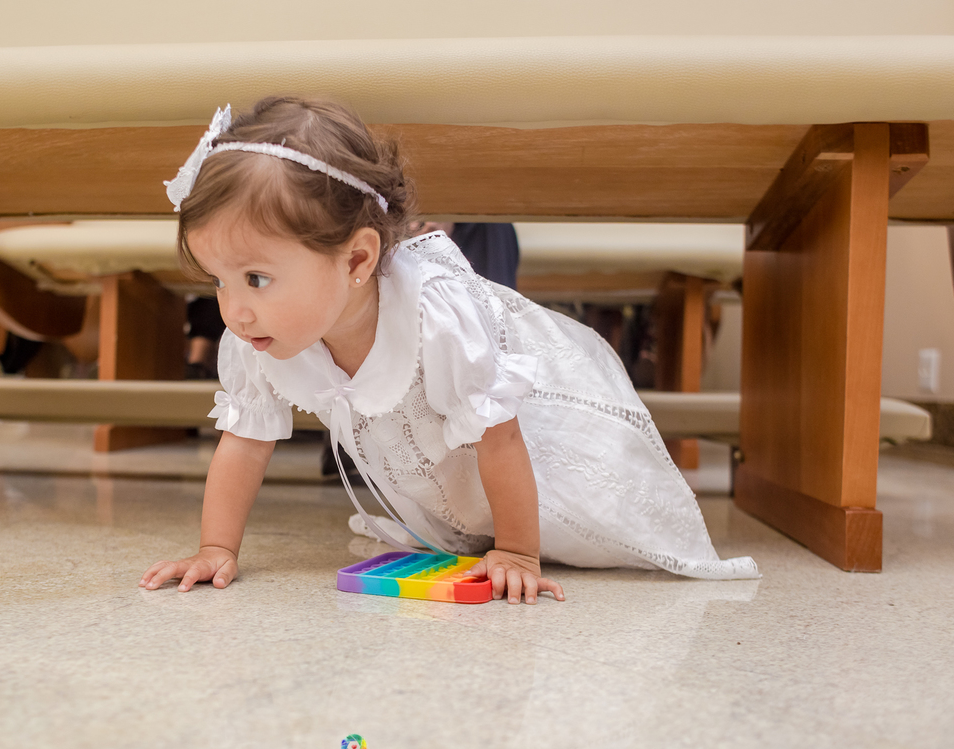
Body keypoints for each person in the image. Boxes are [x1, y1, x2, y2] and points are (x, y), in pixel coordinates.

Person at [140, 98, 759, 604]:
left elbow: (501, 437)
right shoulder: (259, 332)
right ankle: (486, 527)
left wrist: (517, 552)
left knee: (582, 524)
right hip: (451, 470)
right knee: (462, 516)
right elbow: (245, 442)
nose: (234, 309)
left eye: (255, 278)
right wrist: (216, 548)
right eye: (217, 281)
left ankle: (523, 529)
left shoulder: (435, 315)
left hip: (527, 448)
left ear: (356, 261)